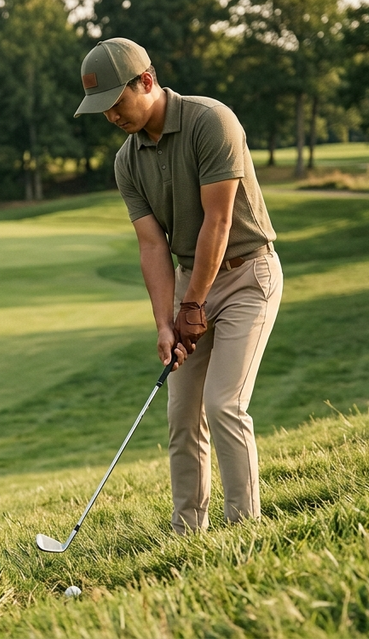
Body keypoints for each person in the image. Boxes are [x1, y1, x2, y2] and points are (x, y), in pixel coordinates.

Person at [74, 38, 283, 534]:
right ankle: (188, 530)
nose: (111, 118)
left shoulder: (212, 121)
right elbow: (152, 247)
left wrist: (192, 305)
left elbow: (219, 220)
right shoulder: (127, 161)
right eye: (100, 110)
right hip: (193, 280)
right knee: (183, 416)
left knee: (223, 404)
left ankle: (244, 529)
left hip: (248, 274)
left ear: (146, 81)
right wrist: (165, 322)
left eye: (115, 103)